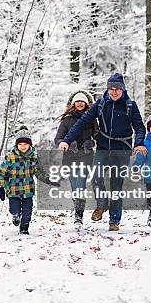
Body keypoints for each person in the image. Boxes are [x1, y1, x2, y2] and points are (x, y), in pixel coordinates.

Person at [59, 73, 146, 231]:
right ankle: (102, 204)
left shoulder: (130, 105)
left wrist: (139, 143)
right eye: (111, 88)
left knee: (116, 184)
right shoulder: (100, 104)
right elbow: (81, 122)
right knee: (96, 178)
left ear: (123, 90)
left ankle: (114, 220)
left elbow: (139, 127)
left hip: (122, 148)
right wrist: (66, 139)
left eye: (117, 89)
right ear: (107, 89)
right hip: (103, 147)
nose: (114, 92)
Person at [54, 90, 96, 226]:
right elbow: (58, 138)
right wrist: (64, 143)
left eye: (82, 101)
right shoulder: (66, 121)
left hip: (86, 156)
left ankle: (79, 214)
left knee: (81, 184)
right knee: (74, 185)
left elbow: (98, 136)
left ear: (86, 104)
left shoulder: (91, 119)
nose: (79, 103)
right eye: (77, 101)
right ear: (73, 104)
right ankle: (77, 204)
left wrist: (92, 143)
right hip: (70, 157)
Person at [0, 126, 38, 235]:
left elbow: (39, 170)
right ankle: (15, 216)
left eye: (25, 144)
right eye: (20, 144)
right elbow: (1, 172)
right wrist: (0, 186)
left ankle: (24, 229)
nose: (23, 147)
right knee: (14, 209)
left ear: (30, 144)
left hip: (28, 190)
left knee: (27, 212)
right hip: (13, 190)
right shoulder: (10, 157)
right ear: (16, 145)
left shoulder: (33, 157)